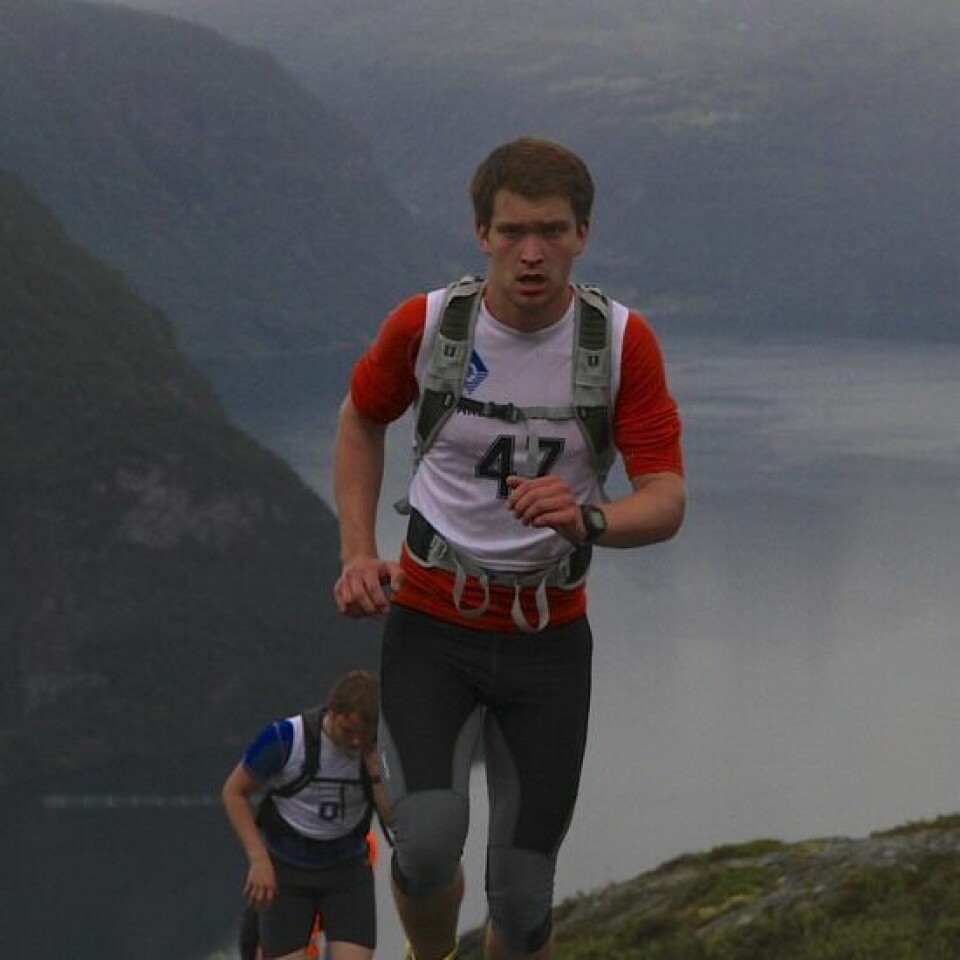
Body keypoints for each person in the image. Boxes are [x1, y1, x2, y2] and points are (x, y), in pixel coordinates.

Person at [332, 137, 685, 960]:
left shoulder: (620, 344)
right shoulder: (427, 327)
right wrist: (358, 549)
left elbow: (667, 497)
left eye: (553, 232)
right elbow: (361, 418)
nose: (533, 254)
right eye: (514, 231)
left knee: (523, 900)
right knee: (423, 846)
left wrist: (590, 520)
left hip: (547, 637)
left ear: (584, 235)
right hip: (431, 620)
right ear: (481, 232)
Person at [222, 670, 390, 960]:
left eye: (363, 735)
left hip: (346, 870)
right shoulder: (287, 738)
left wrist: (376, 773)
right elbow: (234, 792)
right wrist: (259, 860)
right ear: (332, 711)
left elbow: (395, 821)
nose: (354, 742)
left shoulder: (377, 749)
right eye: (348, 731)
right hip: (287, 869)